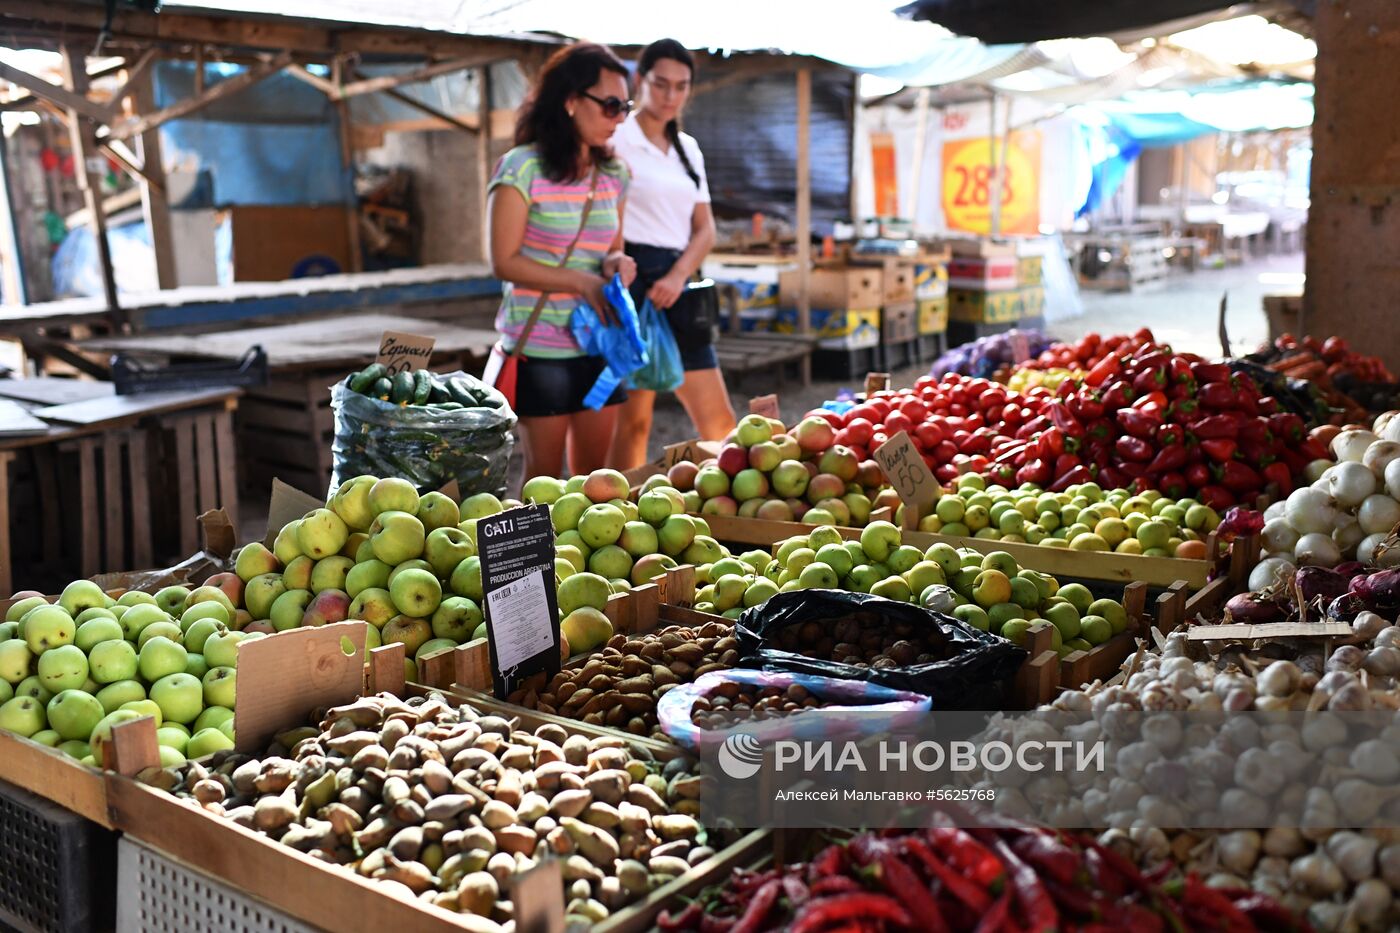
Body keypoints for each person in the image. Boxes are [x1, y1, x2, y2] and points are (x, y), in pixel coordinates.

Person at [487, 42, 637, 480]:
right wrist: (583, 283)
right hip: (541, 347)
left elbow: (612, 247)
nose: (621, 118)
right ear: (571, 101)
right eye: (611, 105)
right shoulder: (521, 169)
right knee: (545, 482)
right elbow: (503, 261)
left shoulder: (616, 174)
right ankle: (538, 553)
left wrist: (615, 266)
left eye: (625, 105)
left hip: (600, 343)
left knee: (597, 482)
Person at [606, 39, 736, 470]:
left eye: (681, 87)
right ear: (639, 80)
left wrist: (679, 275)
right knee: (634, 420)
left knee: (721, 424)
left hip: (681, 283)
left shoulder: (688, 147)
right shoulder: (616, 137)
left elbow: (706, 228)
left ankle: (733, 515)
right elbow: (606, 214)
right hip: (631, 278)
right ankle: (620, 514)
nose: (669, 95)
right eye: (661, 84)